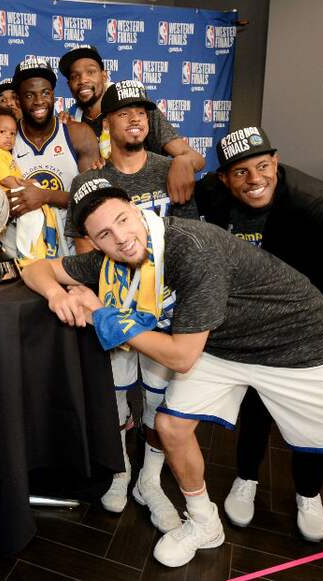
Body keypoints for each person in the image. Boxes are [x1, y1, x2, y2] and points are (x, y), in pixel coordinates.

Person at [21, 181, 323, 581]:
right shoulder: (110, 260)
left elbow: (181, 357)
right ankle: (205, 523)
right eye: (104, 234)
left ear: (137, 211)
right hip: (224, 345)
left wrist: (102, 314)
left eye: (122, 220)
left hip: (298, 346)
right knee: (171, 425)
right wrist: (58, 294)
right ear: (92, 243)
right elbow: (35, 268)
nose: (120, 237)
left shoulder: (191, 249)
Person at [195, 127, 323, 542]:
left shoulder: (315, 202)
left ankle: (309, 493)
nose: (255, 180)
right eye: (241, 172)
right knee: (255, 406)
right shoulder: (212, 195)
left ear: (276, 162)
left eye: (263, 166)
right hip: (249, 327)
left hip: (307, 327)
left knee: (311, 415)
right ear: (224, 179)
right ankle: (246, 477)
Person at [63, 80, 196, 528]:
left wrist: (183, 158)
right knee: (117, 397)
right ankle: (120, 470)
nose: (135, 118)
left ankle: (150, 480)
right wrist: (100, 301)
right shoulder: (90, 180)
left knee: (160, 404)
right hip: (115, 307)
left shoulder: (170, 168)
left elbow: (186, 241)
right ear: (107, 122)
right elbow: (84, 247)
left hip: (165, 309)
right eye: (123, 113)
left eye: (141, 111)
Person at [57, 45, 204, 203]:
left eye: (91, 72)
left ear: (104, 75)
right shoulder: (69, 121)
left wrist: (182, 161)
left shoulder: (139, 110)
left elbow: (195, 158)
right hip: (103, 205)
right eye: (75, 76)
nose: (83, 80)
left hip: (150, 200)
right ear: (69, 85)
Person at [5, 58, 100, 258]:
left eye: (45, 93)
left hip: (70, 252)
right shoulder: (6, 138)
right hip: (20, 253)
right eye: (29, 95)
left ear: (54, 95)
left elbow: (93, 200)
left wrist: (45, 196)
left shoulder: (78, 134)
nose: (39, 101)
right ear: (17, 100)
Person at [0, 106, 59, 263]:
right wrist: (29, 187)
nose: (8, 137)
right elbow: (6, 179)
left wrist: (29, 185)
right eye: (2, 132)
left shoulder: (3, 153)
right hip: (1, 199)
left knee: (37, 207)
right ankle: (29, 255)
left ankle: (37, 248)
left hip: (7, 199)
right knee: (32, 215)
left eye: (12, 133)